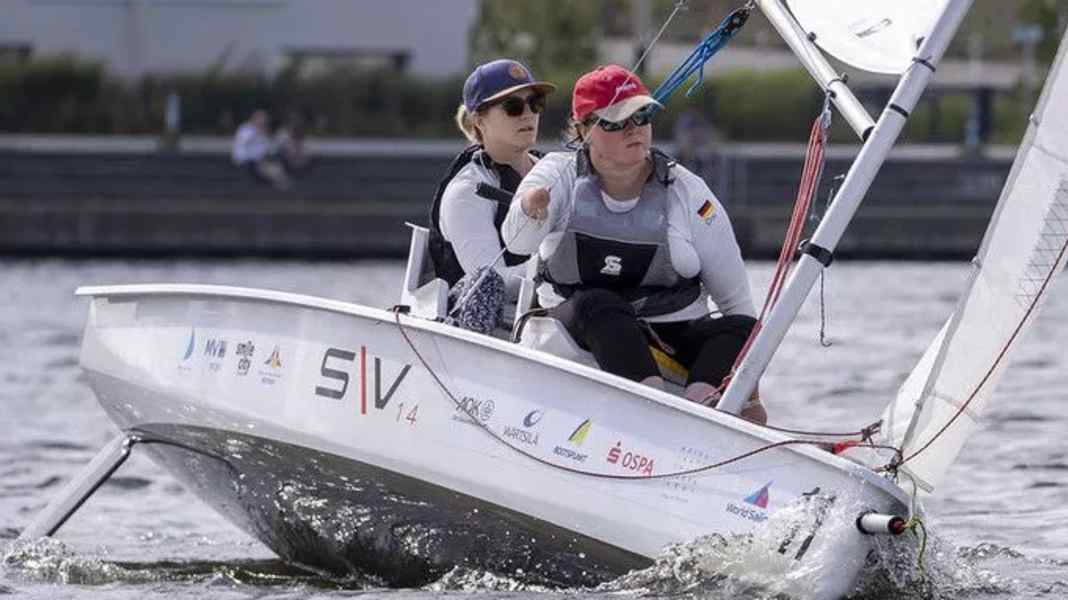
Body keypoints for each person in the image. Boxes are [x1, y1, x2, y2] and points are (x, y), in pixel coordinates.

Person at [502, 65, 766, 423]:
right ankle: (652, 407)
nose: (634, 129)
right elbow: (515, 243)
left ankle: (700, 412)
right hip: (580, 327)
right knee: (600, 302)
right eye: (616, 121)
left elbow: (737, 304)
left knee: (745, 329)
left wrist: (750, 389)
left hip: (669, 334)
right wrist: (531, 212)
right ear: (584, 131)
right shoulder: (555, 174)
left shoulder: (688, 192)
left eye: (643, 115)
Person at [427, 59, 556, 334]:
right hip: (484, 329)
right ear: (479, 120)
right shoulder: (466, 192)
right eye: (512, 107)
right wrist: (559, 267)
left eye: (535, 103)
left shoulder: (557, 173)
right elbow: (491, 278)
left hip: (552, 320)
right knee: (488, 283)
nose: (527, 114)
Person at [232, 109, 289, 190]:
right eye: (262, 120)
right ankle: (284, 188)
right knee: (275, 170)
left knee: (277, 167)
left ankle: (282, 188)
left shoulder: (262, 132)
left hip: (258, 161)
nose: (264, 123)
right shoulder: (246, 129)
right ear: (254, 119)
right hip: (245, 161)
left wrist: (280, 140)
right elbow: (244, 143)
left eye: (265, 121)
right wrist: (260, 132)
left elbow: (270, 148)